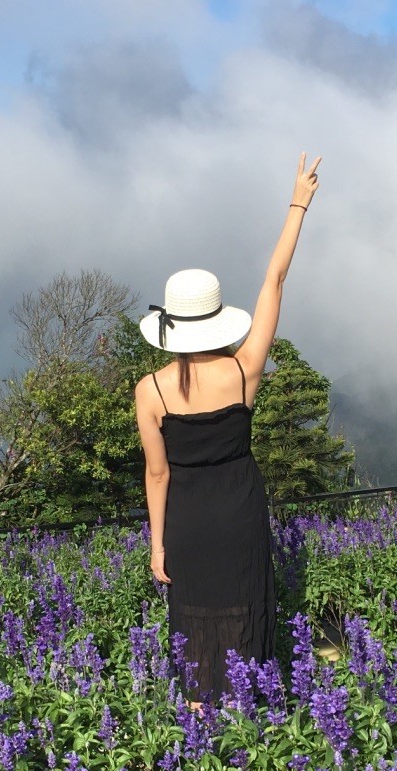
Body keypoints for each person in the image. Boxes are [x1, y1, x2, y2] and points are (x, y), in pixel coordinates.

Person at [134, 152, 322, 710]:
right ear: (216, 318)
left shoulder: (152, 390)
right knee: (246, 614)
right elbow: (275, 280)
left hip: (188, 524)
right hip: (241, 512)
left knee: (195, 630)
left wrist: (157, 544)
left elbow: (157, 473)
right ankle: (250, 724)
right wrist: (298, 203)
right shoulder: (246, 370)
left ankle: (200, 738)